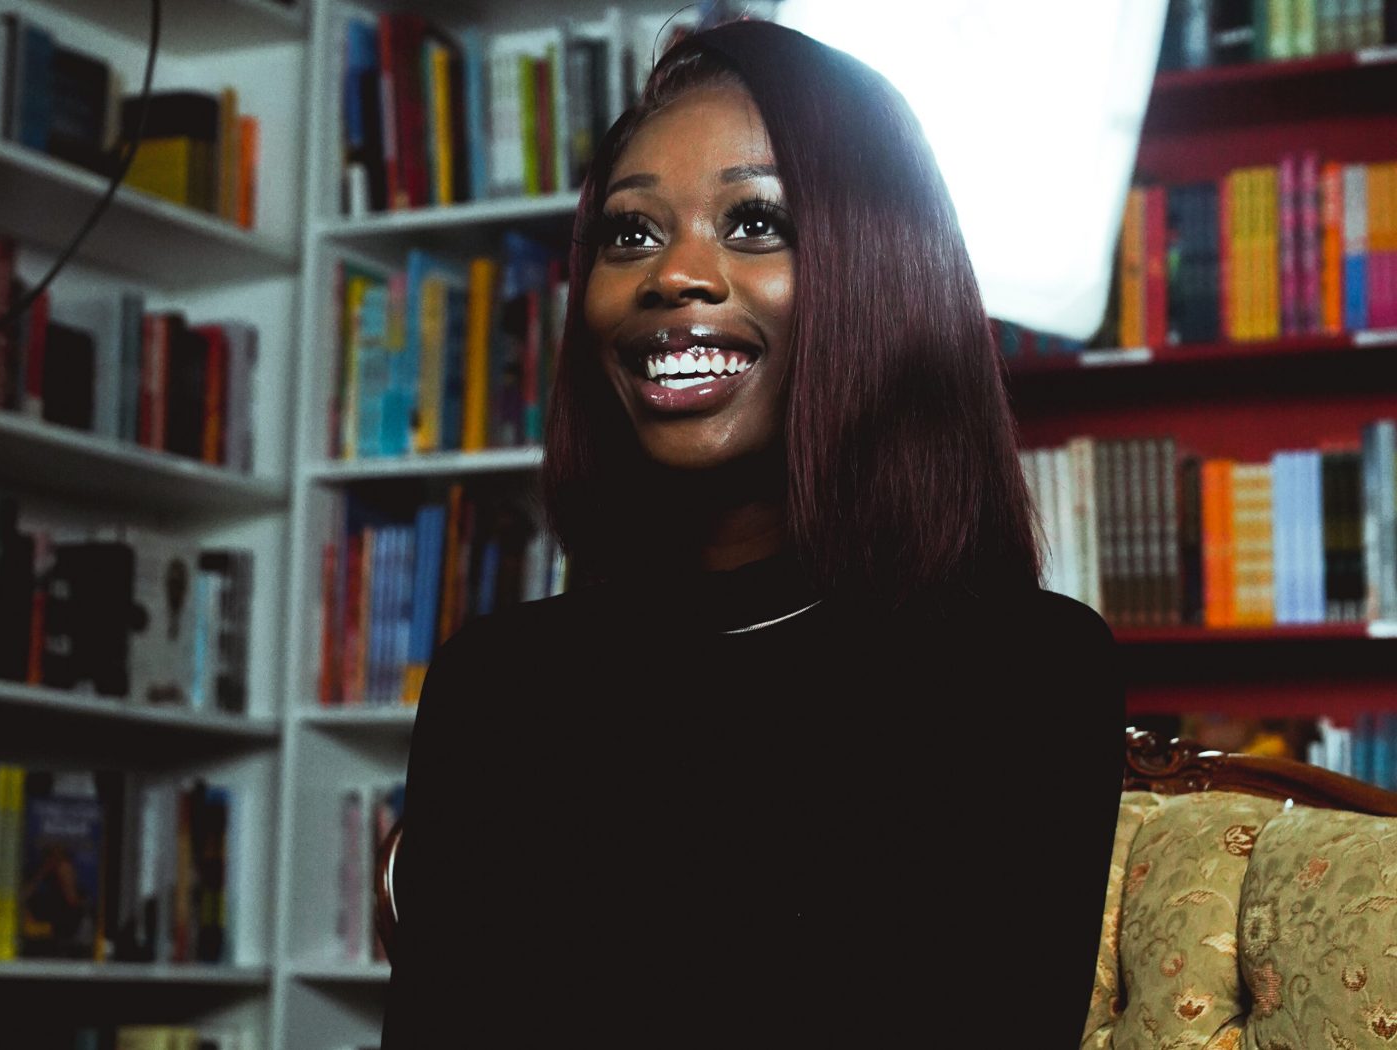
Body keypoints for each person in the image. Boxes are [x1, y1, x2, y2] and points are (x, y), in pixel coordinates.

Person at [383, 18, 1122, 1047]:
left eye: (755, 222)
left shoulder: (1019, 672)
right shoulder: (495, 689)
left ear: (881, 275)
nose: (673, 275)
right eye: (630, 233)